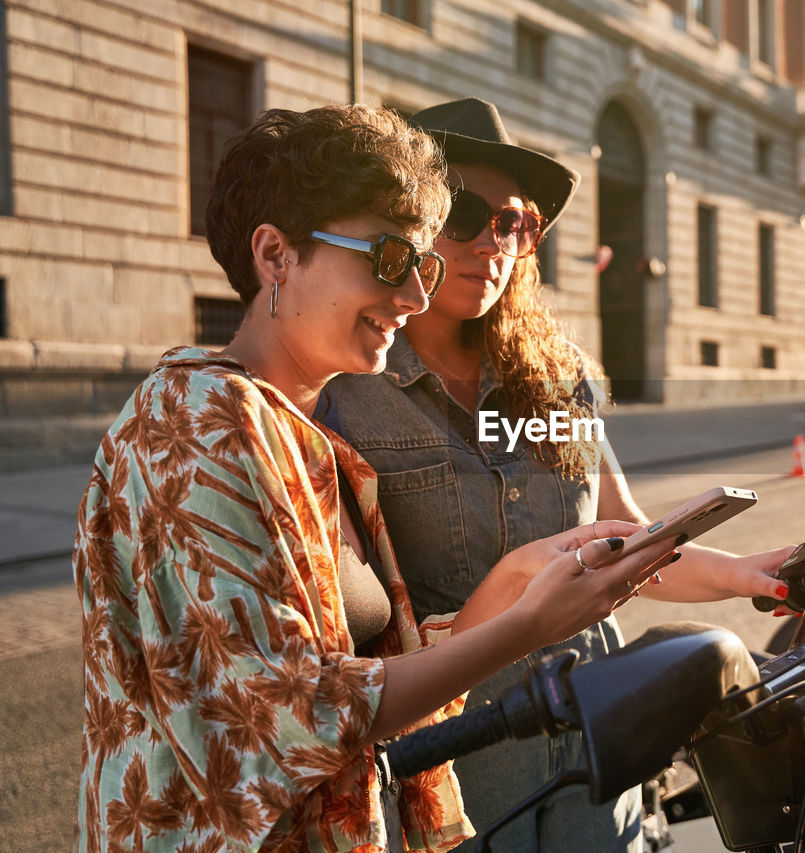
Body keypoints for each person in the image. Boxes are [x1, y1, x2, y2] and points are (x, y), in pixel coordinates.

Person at [73, 104, 677, 853]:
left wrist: (498, 598)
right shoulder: (193, 422)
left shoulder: (320, 445)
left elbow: (361, 668)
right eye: (391, 259)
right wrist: (525, 626)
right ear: (275, 256)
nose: (417, 297)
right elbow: (280, 720)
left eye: (422, 265)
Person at [319, 98, 793, 852]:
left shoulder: (560, 377)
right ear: (408, 224)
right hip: (454, 758)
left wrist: (748, 573)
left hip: (597, 734)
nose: (492, 243)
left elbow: (625, 539)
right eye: (465, 213)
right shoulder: (343, 388)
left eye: (516, 222)